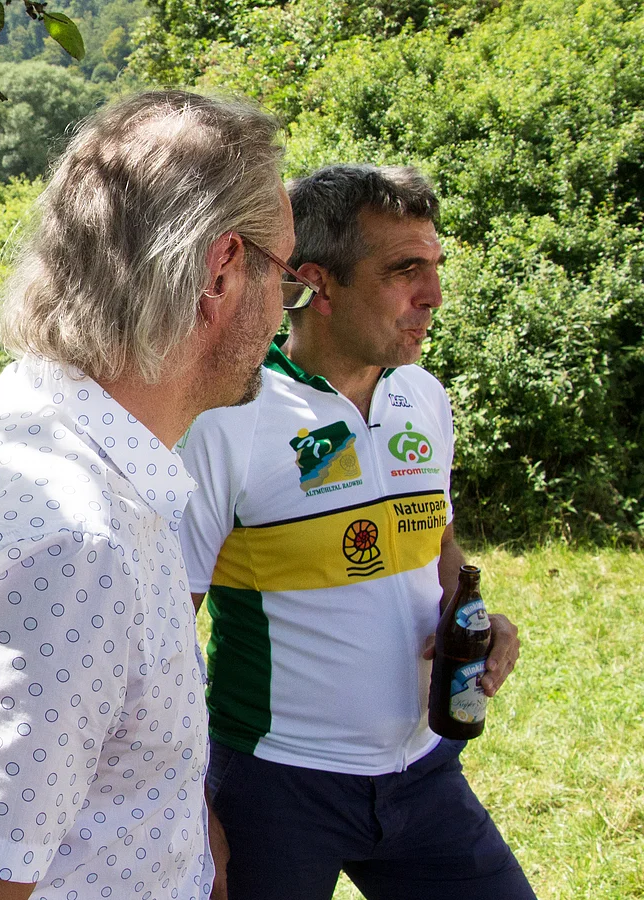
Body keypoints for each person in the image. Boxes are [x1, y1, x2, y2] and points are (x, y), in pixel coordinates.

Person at [0, 90, 298, 900]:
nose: (283, 315)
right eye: (286, 277)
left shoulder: (19, 419)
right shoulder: (75, 549)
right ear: (222, 270)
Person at [178, 164, 534, 900]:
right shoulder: (229, 419)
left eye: (435, 266)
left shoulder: (423, 395)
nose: (433, 294)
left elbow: (437, 542)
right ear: (318, 282)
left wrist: (469, 614)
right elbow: (165, 626)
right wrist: (189, 804)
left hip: (424, 773)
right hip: (277, 785)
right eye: (404, 270)